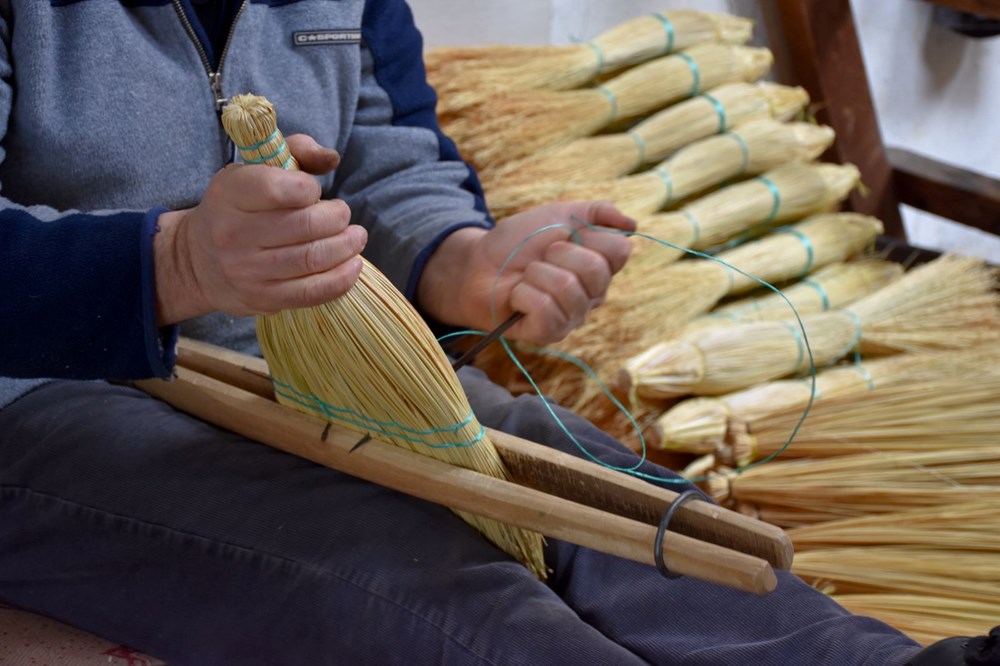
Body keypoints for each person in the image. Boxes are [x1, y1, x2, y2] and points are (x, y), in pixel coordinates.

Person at [0, 1, 994, 664]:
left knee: (603, 500)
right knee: (420, 577)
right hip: (46, 397)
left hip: (295, 355)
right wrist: (175, 264)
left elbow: (385, 155)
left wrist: (461, 259)